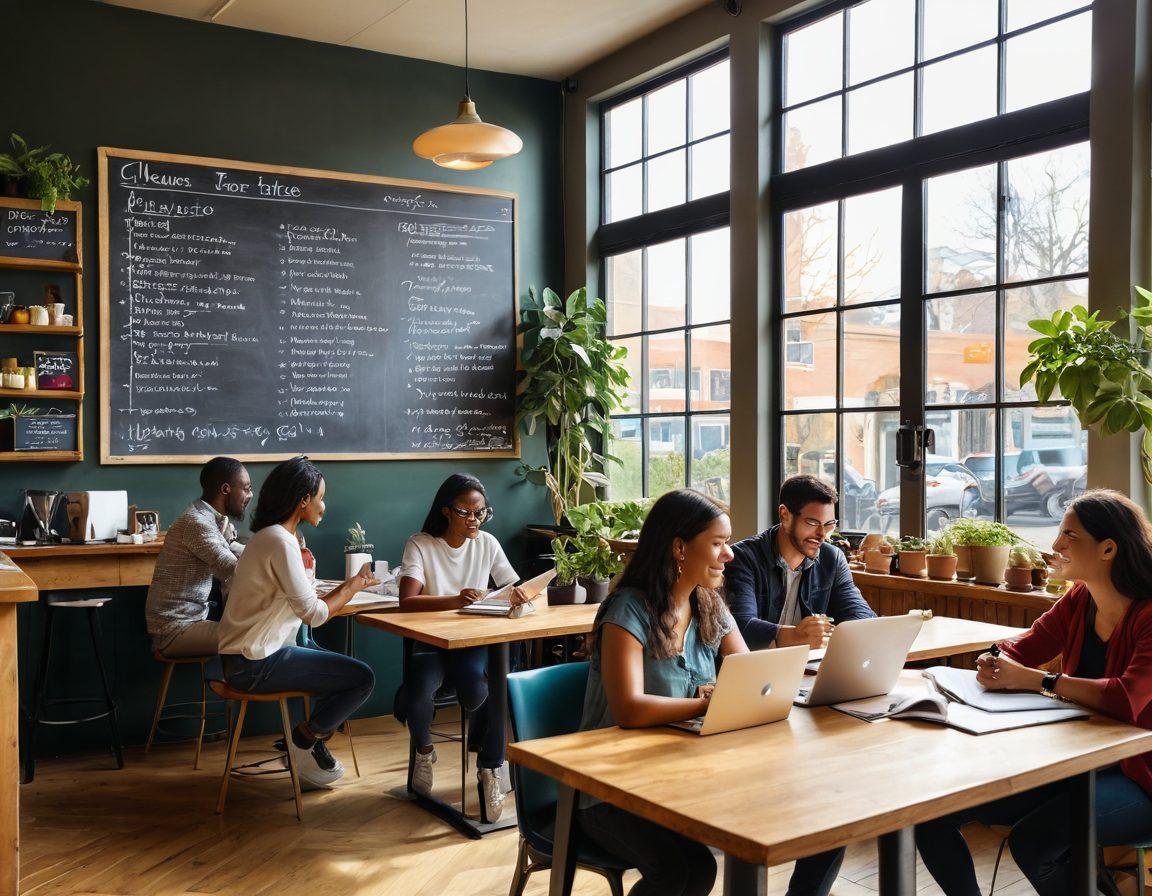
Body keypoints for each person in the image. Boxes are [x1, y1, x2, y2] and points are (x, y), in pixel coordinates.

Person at [915, 489, 1152, 895]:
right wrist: (995, 657)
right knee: (930, 815)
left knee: (1034, 841)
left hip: (1140, 777)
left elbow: (1126, 697)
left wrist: (1036, 680)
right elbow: (1027, 645)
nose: (1055, 545)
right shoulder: (1080, 599)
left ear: (1108, 548)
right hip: (1079, 763)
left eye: (1068, 537)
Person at [576, 488, 748, 896]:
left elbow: (748, 675)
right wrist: (709, 701)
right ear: (679, 548)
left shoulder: (709, 604)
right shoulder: (627, 610)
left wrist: (737, 693)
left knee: (701, 869)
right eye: (718, 544)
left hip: (675, 779)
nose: (730, 555)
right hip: (607, 789)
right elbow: (629, 710)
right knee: (676, 872)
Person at [723, 473, 873, 896]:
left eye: (829, 526)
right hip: (752, 689)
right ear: (784, 515)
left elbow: (860, 615)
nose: (822, 536)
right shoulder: (743, 557)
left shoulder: (830, 559)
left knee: (837, 806)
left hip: (803, 688)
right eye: (812, 524)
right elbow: (738, 627)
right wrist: (792, 634)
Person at [217, 456, 376, 790]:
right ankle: (303, 740)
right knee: (361, 678)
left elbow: (293, 602)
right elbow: (314, 614)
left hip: (247, 659)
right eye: (320, 497)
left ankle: (306, 741)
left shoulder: (271, 537)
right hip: (254, 664)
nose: (323, 505)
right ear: (304, 500)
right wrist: (354, 585)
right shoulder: (279, 540)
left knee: (332, 664)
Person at [398, 473, 528, 822]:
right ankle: (425, 751)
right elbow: (407, 601)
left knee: (480, 687)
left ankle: (489, 767)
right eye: (466, 512)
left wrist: (519, 594)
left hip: (472, 642)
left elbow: (513, 586)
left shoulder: (487, 543)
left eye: (481, 513)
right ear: (446, 512)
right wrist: (455, 599)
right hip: (431, 641)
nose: (474, 520)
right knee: (419, 690)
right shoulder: (421, 544)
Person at [145, 456, 252, 658]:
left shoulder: (211, 518)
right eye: (246, 488)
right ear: (226, 489)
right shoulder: (197, 523)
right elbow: (232, 569)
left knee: (262, 633)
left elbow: (232, 548)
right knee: (257, 636)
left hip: (191, 622)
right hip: (174, 630)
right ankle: (228, 685)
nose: (250, 495)